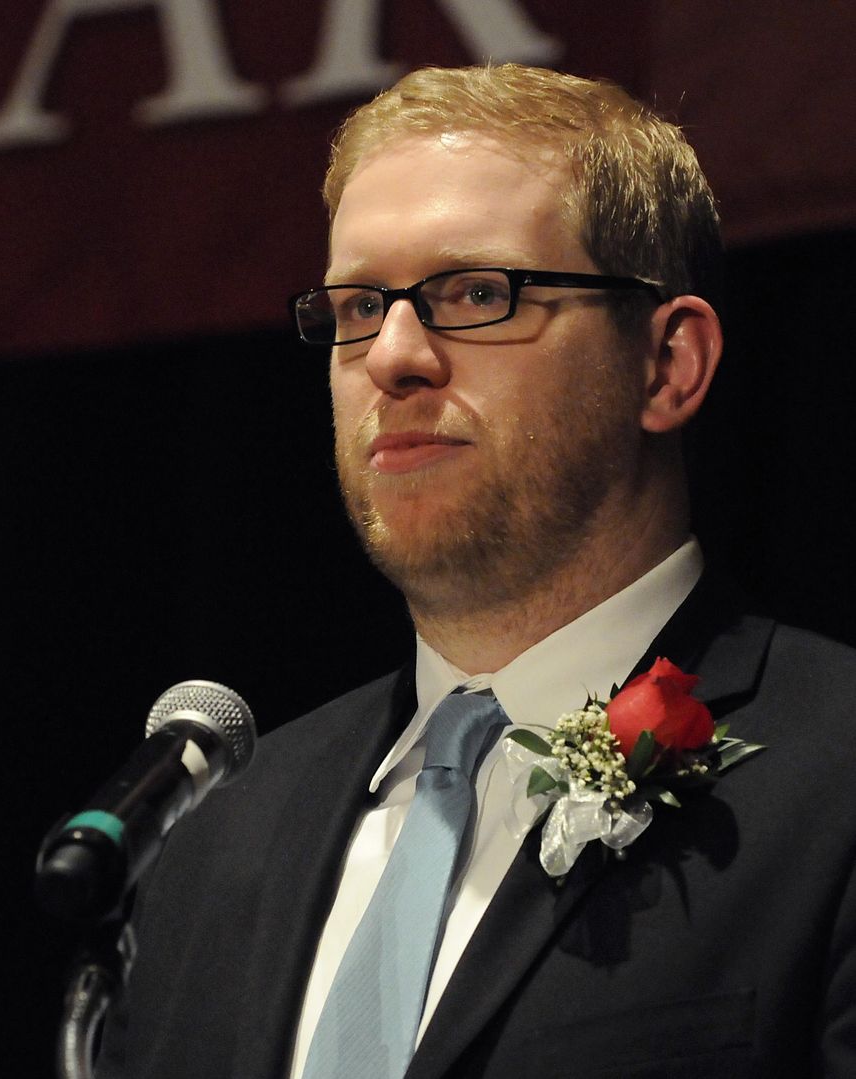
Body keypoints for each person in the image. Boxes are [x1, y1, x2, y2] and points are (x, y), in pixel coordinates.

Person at [96, 64, 856, 1078]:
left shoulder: (835, 772)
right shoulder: (210, 840)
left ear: (667, 364)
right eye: (356, 306)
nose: (392, 356)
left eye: (473, 292)